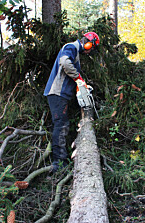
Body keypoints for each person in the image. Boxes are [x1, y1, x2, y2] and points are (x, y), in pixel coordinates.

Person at [43, 32, 100, 173]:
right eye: (91, 47)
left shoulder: (76, 52)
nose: (90, 50)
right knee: (61, 126)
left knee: (62, 125)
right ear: (88, 43)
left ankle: (61, 159)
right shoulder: (71, 47)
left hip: (62, 95)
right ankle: (58, 163)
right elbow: (65, 62)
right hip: (57, 93)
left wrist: (82, 86)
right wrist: (78, 78)